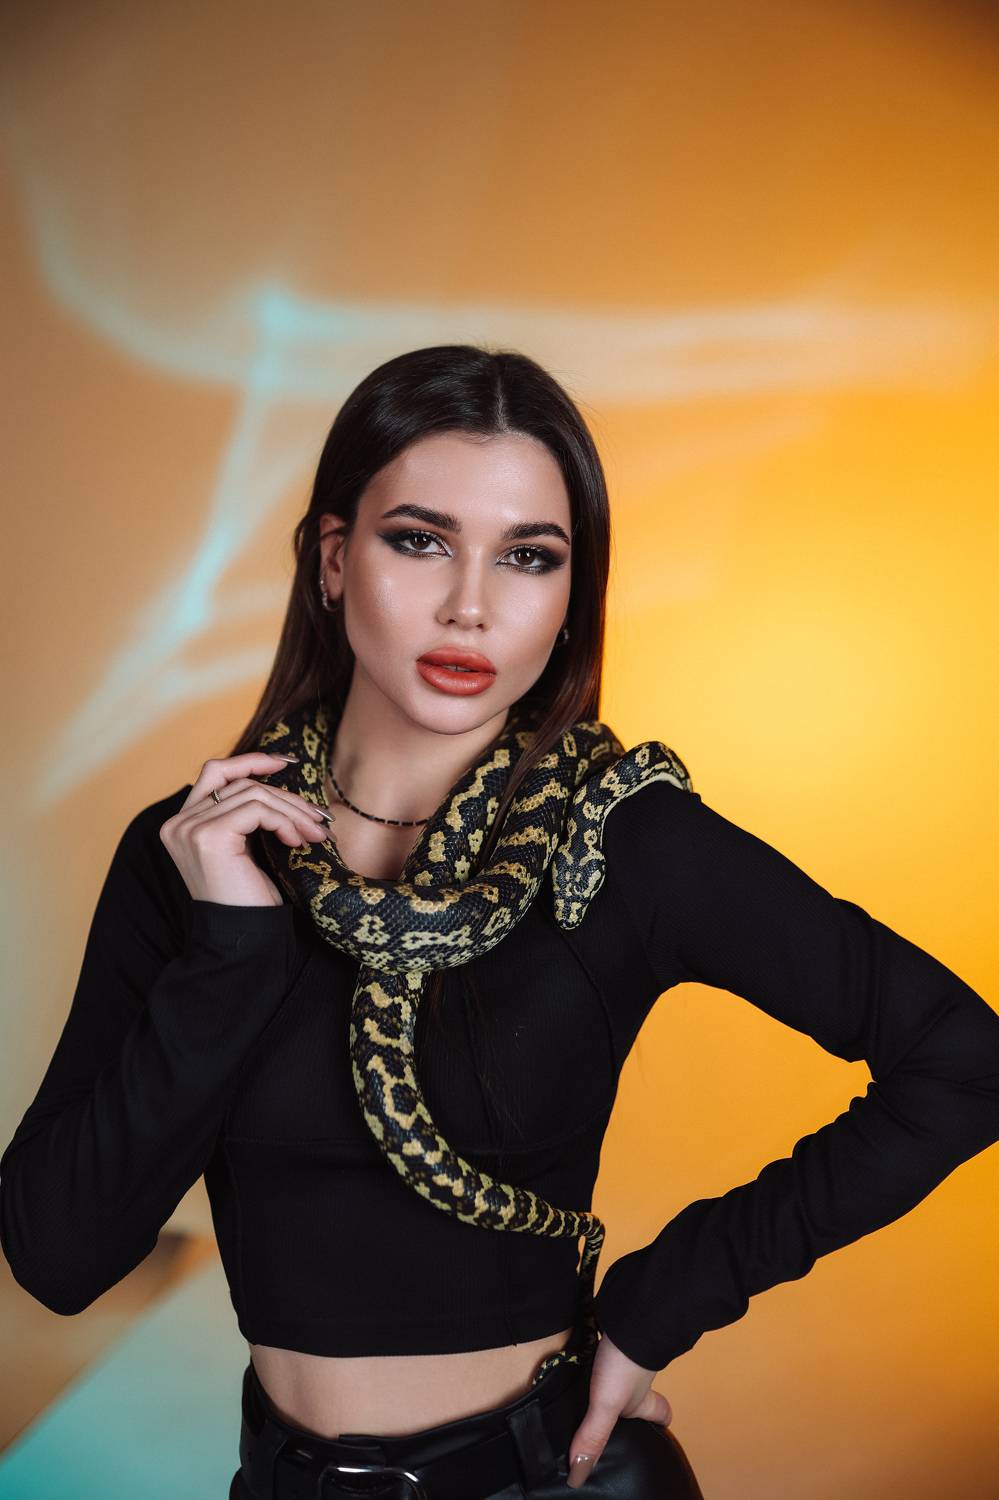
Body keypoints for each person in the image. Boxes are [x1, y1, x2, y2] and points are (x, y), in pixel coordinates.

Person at [2, 345, 997, 1500]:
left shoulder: (622, 839)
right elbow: (60, 1259)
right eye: (419, 540)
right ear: (333, 558)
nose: (470, 606)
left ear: (572, 596)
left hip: (549, 1477)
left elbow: (963, 1061)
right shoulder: (196, 854)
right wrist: (229, 946)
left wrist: (666, 1298)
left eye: (529, 557)